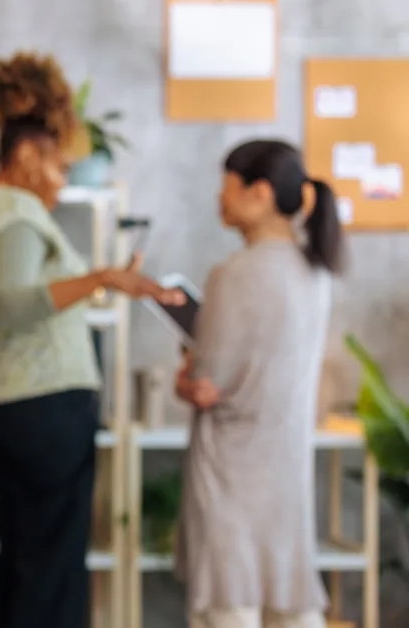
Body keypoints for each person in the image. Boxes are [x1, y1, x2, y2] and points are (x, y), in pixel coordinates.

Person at [0, 52, 183, 628]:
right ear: (27, 155)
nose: (61, 185)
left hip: (15, 411)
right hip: (39, 411)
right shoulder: (14, 210)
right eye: (58, 168)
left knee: (27, 562)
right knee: (50, 570)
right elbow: (11, 303)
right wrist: (103, 277)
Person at [175, 139, 343, 628]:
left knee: (228, 607)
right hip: (286, 465)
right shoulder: (317, 273)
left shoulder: (234, 274)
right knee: (289, 607)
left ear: (261, 192)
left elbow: (207, 384)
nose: (219, 200)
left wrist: (186, 372)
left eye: (227, 187)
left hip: (232, 472)